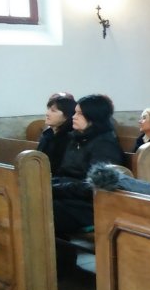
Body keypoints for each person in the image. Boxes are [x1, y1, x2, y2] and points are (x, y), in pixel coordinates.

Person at [52, 94, 124, 234]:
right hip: (72, 198)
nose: (74, 117)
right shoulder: (76, 139)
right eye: (75, 112)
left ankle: (54, 248)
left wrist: (55, 188)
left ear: (94, 117)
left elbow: (95, 186)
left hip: (92, 206)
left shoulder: (105, 145)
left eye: (80, 113)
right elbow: (64, 172)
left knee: (44, 209)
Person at [37, 93, 77, 175]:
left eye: (53, 111)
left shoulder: (70, 138)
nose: (47, 113)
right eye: (48, 109)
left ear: (67, 116)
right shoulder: (47, 133)